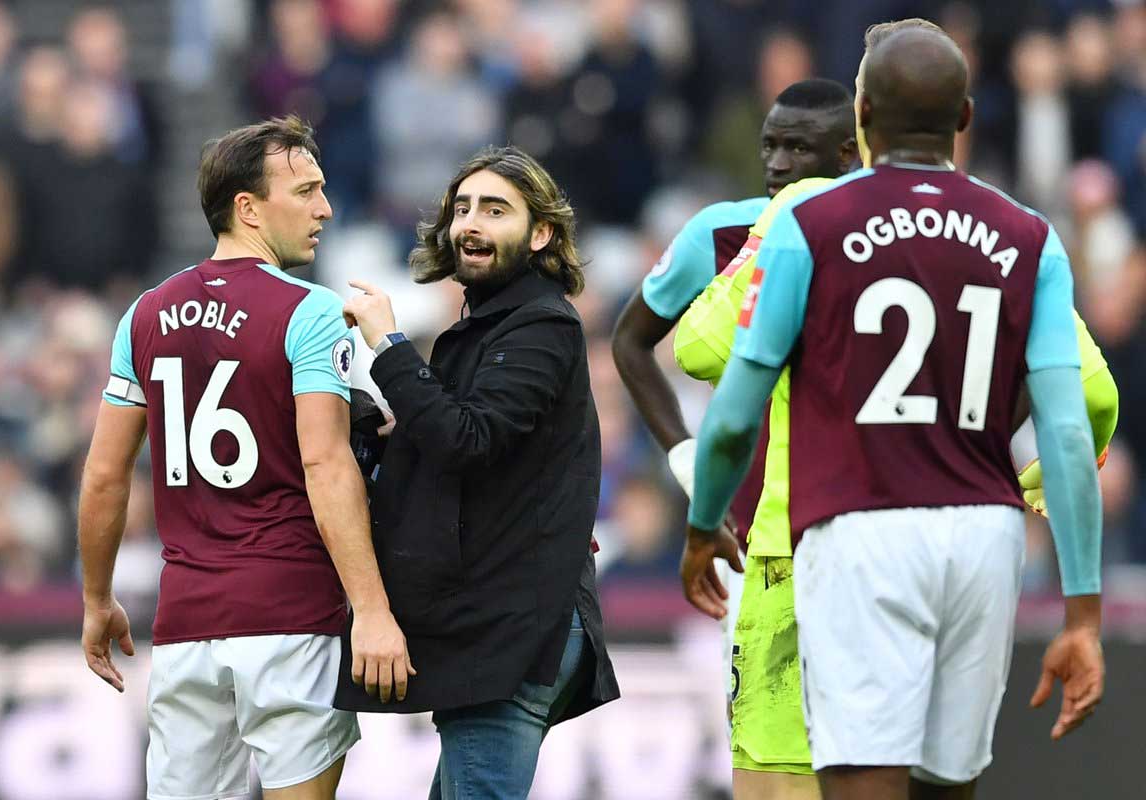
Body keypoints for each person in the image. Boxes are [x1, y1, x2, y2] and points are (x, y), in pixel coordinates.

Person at [684, 23, 1104, 800]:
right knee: (947, 786)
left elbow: (737, 410)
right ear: (966, 117)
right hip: (984, 534)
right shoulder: (1030, 238)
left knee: (861, 783)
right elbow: (1070, 432)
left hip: (860, 527)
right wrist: (1082, 611)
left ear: (863, 114)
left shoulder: (809, 225)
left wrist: (704, 521)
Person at [77, 115, 412, 800]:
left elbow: (106, 474)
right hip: (291, 615)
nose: (324, 208)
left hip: (186, 628)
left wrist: (96, 597)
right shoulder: (310, 311)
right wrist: (373, 610)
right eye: (307, 190)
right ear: (248, 208)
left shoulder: (143, 314)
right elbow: (325, 466)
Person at [335, 145, 619, 799]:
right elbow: (456, 448)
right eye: (463, 208)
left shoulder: (541, 323)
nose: (471, 223)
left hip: (512, 629)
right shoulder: (489, 324)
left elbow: (467, 439)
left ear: (541, 231)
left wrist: (389, 346)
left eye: (495, 210)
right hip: (498, 624)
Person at [612, 78, 857, 800]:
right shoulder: (723, 232)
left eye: (799, 149)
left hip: (860, 531)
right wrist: (689, 463)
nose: (778, 163)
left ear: (849, 153)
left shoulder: (874, 237)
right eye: (771, 146)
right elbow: (632, 343)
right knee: (769, 763)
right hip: (757, 541)